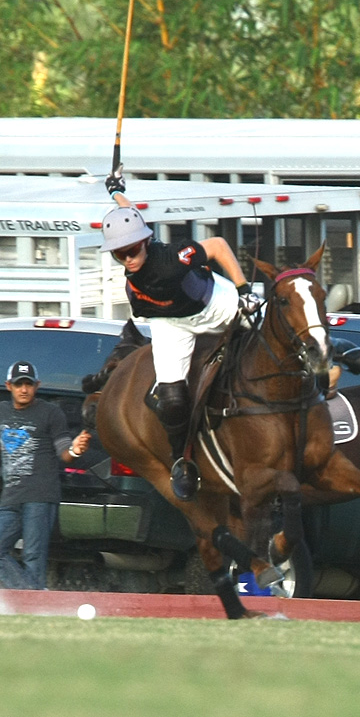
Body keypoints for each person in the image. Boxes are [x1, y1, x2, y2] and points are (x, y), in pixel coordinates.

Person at [100, 171, 261, 501]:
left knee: (270, 325)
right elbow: (130, 215)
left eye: (132, 250)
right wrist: (116, 191)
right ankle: (181, 462)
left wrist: (245, 291)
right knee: (172, 402)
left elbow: (217, 246)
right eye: (120, 254)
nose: (128, 258)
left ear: (145, 242)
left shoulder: (172, 259)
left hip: (211, 304)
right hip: (169, 323)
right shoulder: (136, 241)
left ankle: (337, 353)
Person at [0, 360, 91, 590]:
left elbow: (64, 451)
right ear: (8, 386)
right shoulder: (2, 410)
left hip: (40, 495)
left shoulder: (50, 412)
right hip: (10, 498)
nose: (24, 390)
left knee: (33, 556)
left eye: (29, 384)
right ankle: (35, 596)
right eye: (19, 384)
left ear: (37, 386)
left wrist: (74, 450)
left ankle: (32, 602)